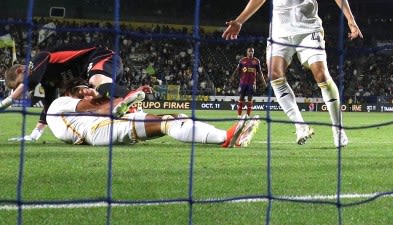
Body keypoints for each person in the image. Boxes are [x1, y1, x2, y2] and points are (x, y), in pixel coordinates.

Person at [222, 0, 363, 147]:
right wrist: (239, 21)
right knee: (274, 75)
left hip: (308, 30)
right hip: (279, 31)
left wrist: (351, 20)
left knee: (321, 76)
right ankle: (300, 126)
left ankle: (338, 131)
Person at [2, 44, 150, 143]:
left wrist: (8, 101)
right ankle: (135, 110)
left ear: (20, 70)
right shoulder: (48, 80)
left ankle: (131, 94)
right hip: (102, 69)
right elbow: (48, 108)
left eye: (19, 84)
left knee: (97, 83)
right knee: (100, 93)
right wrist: (34, 135)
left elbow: (32, 80)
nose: (22, 89)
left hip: (101, 56)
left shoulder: (39, 58)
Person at [46, 80, 259, 147]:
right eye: (82, 90)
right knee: (167, 124)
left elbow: (104, 108)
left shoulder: (75, 111)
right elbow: (100, 108)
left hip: (102, 128)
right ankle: (227, 138)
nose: (88, 92)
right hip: (97, 132)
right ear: (69, 93)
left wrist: (130, 97)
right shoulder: (61, 103)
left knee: (174, 119)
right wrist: (128, 97)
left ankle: (232, 137)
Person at [229, 47, 266, 118]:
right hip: (243, 83)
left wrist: (263, 81)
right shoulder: (242, 60)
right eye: (249, 51)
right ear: (247, 52)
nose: (251, 52)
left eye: (252, 51)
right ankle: (239, 115)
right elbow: (237, 70)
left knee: (250, 99)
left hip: (251, 83)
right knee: (241, 98)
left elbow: (260, 72)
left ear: (253, 52)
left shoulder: (256, 61)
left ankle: (248, 115)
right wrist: (232, 77)